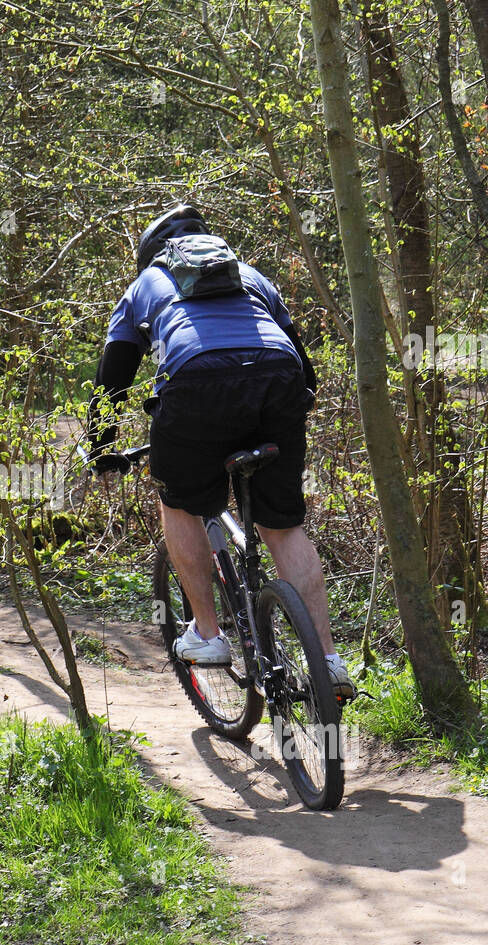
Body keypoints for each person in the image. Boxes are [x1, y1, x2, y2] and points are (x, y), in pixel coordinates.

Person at [86, 204, 353, 696]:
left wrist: (101, 448)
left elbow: (113, 379)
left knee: (180, 504)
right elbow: (304, 368)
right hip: (278, 380)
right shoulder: (251, 275)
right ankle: (330, 660)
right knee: (283, 527)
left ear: (150, 257)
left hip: (195, 384)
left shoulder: (145, 285)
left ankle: (208, 635)